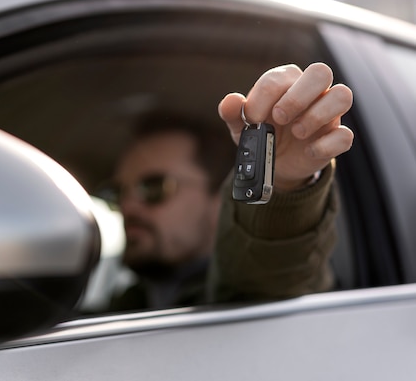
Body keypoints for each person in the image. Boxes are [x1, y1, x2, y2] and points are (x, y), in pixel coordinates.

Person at [100, 62, 354, 311]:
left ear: (218, 200)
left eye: (153, 188)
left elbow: (267, 280)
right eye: (117, 193)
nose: (127, 206)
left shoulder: (239, 296)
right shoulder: (117, 308)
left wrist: (284, 184)